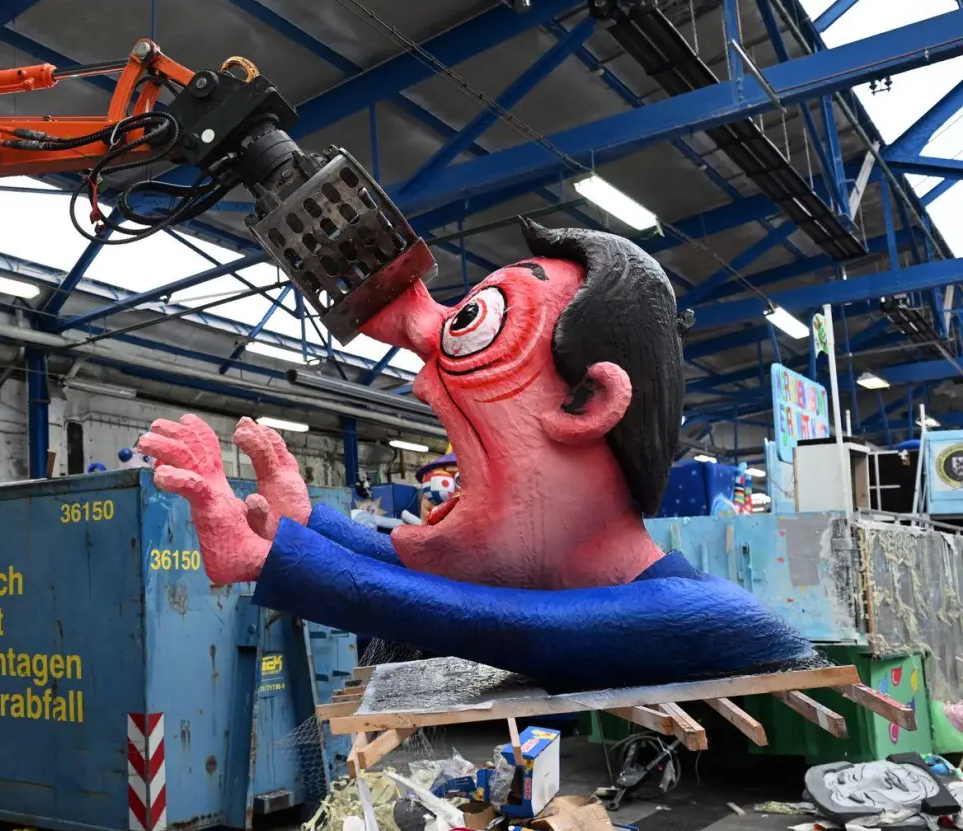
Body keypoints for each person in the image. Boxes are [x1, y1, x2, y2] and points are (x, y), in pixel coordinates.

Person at [139, 220, 814, 692]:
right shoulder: (568, 582)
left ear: (589, 403)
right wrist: (309, 522)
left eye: (475, 324)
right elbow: (461, 587)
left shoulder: (709, 616)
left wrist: (277, 559)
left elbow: (508, 626)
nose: (420, 375)